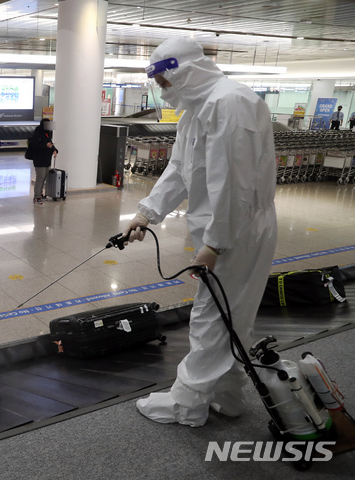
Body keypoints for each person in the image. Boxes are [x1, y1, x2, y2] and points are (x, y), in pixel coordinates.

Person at [128, 37, 277, 427]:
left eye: (164, 81)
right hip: (223, 230)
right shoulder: (199, 108)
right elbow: (180, 167)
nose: (162, 91)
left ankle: (187, 403)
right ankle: (226, 395)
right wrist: (147, 213)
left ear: (184, 71)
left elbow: (235, 186)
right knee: (231, 316)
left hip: (237, 231)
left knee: (212, 316)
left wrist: (215, 244)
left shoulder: (229, 103)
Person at [28, 119, 58, 205]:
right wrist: (45, 145)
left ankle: (40, 193)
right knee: (40, 178)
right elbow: (35, 146)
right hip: (39, 160)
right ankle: (36, 197)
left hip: (47, 159)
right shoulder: (37, 133)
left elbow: (50, 143)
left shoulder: (47, 133)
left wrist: (54, 150)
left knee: (44, 177)